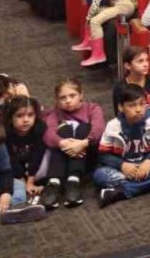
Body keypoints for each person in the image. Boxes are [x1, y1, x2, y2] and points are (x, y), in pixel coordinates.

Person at [93, 84, 150, 207]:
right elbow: (103, 155)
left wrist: (149, 160)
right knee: (99, 175)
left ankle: (124, 191)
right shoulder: (112, 126)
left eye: (141, 104)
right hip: (124, 168)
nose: (138, 109)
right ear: (121, 107)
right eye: (132, 105)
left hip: (147, 165)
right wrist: (122, 165)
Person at [38, 78, 103, 211]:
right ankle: (54, 182)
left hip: (87, 154)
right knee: (62, 130)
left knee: (84, 128)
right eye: (63, 97)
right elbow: (48, 133)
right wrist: (63, 143)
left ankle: (74, 180)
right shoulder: (55, 113)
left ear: (81, 95)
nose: (68, 100)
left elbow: (99, 128)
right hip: (63, 155)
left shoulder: (92, 108)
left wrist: (83, 143)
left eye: (72, 95)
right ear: (57, 100)